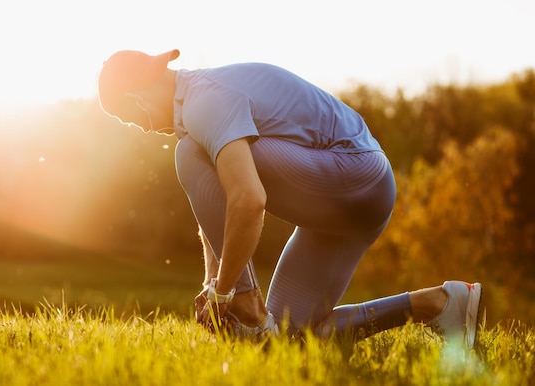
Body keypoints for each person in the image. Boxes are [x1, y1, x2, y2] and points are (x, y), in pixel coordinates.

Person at [97, 49, 483, 347]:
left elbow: (248, 199)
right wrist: (213, 281)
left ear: (137, 98)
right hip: (351, 202)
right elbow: (213, 204)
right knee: (287, 340)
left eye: (134, 118)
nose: (146, 128)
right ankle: (441, 304)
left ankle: (246, 302)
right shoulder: (199, 104)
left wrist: (227, 294)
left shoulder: (204, 101)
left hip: (356, 175)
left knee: (189, 152)